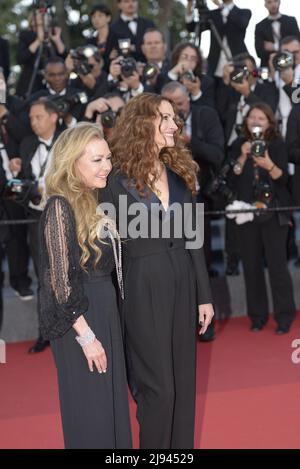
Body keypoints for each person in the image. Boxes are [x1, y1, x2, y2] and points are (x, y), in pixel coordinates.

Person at [104, 93, 214, 448]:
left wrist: (204, 297)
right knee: (158, 390)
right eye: (164, 117)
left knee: (183, 386)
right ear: (141, 124)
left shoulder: (180, 174)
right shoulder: (113, 180)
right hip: (142, 283)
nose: (173, 125)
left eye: (174, 118)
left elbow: (193, 238)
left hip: (182, 278)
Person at [38, 122, 132, 449]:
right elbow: (60, 282)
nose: (106, 166)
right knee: (91, 411)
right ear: (72, 162)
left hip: (104, 311)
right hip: (80, 322)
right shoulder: (58, 207)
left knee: (111, 405)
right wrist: (87, 337)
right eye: (96, 160)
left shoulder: (94, 201)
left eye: (107, 158)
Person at [228, 102, 295, 334]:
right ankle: (257, 317)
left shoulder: (276, 144)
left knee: (278, 268)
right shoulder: (239, 144)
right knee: (251, 267)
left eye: (261, 118)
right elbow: (232, 177)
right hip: (246, 214)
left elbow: (283, 178)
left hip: (274, 213)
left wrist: (268, 163)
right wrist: (243, 157)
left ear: (269, 123)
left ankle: (284, 316)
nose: (255, 121)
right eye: (252, 118)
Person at [255, 0, 300, 67]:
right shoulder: (260, 26)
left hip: (292, 64)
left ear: (279, 2)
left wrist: (275, 46)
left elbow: (297, 43)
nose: (273, 4)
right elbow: (259, 52)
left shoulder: (291, 21)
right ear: (265, 5)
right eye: (269, 2)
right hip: (270, 65)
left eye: (275, 1)